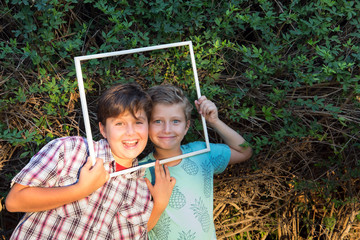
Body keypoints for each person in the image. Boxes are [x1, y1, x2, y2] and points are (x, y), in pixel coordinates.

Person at [5, 83, 175, 240]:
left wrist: (159, 205)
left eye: (138, 122)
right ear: (103, 129)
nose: (130, 132)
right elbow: (14, 201)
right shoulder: (71, 149)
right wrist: (80, 190)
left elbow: (138, 232)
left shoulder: (143, 188)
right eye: (120, 123)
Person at [140, 84, 253, 239]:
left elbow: (245, 151)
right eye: (158, 121)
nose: (167, 129)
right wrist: (159, 203)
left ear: (186, 126)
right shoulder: (139, 172)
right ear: (146, 125)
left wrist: (214, 121)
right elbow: (136, 231)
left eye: (175, 121)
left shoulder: (201, 153)